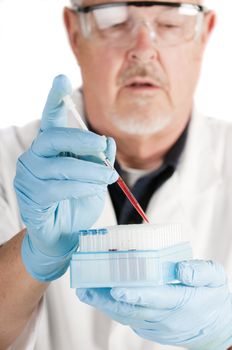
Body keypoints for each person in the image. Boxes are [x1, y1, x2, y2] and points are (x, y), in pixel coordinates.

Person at [1, 0, 232, 349]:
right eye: (113, 18)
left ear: (204, 35)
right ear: (74, 32)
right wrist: (33, 255)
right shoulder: (7, 161)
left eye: (171, 21)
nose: (143, 50)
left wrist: (226, 333)